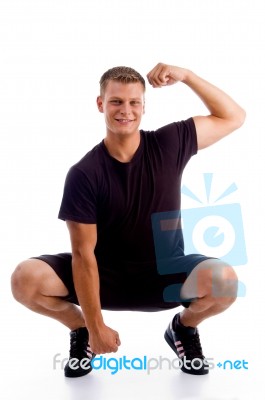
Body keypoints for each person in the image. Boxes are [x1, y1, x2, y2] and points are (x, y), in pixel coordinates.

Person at [11, 63, 246, 377]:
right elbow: (83, 255)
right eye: (116, 102)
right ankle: (81, 332)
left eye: (134, 102)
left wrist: (186, 76)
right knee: (24, 280)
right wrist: (95, 326)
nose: (126, 110)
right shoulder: (84, 173)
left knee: (225, 281)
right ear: (101, 104)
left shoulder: (169, 143)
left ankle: (183, 329)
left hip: (165, 276)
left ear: (144, 107)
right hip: (103, 278)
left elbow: (233, 116)